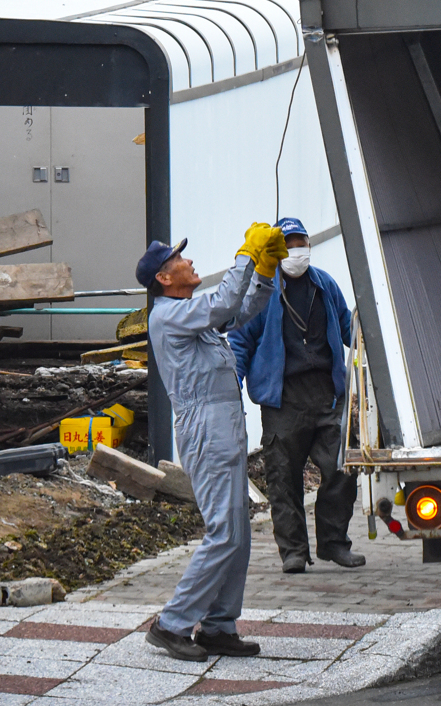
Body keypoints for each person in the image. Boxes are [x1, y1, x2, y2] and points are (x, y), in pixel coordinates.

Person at [138, 224, 287, 662]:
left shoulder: (189, 314)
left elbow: (240, 309)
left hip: (222, 427)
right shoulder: (169, 315)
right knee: (224, 533)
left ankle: (219, 625)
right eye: (180, 259)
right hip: (206, 428)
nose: (189, 261)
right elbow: (223, 303)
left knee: (237, 534)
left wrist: (264, 271)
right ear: (164, 277)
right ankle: (171, 624)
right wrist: (245, 256)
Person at [228, 217, 363, 575]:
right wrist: (232, 387)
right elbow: (240, 341)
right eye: (288, 244)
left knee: (341, 468)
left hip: (326, 395)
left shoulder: (325, 284)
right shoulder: (263, 291)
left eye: (300, 243)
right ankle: (293, 551)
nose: (295, 251)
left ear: (309, 245)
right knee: (283, 478)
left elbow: (350, 329)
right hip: (283, 399)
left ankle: (334, 543)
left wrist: (375, 344)